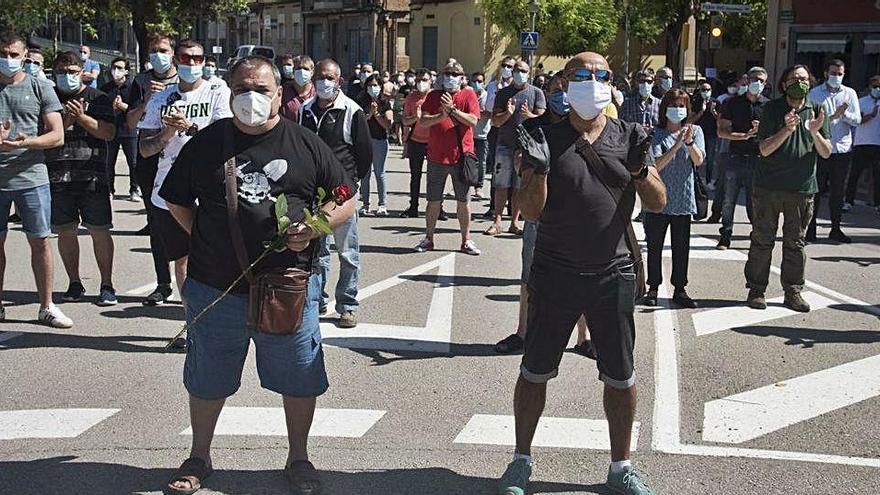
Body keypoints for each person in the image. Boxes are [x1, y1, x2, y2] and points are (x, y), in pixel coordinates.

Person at [160, 55, 356, 495]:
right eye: (243, 89)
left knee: (299, 376)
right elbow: (175, 200)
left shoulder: (305, 144)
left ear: (279, 95)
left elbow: (345, 195)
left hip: (287, 288)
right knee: (208, 376)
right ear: (230, 95)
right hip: (215, 287)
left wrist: (317, 226)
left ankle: (299, 458)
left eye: (262, 89)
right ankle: (199, 456)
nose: (253, 97)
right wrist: (209, 241)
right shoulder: (207, 144)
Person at [498, 51, 666, 495]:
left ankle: (621, 468)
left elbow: (658, 201)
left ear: (612, 84)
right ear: (563, 85)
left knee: (620, 376)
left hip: (613, 274)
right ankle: (520, 461)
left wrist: (640, 170)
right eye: (581, 75)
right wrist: (536, 171)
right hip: (554, 273)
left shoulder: (629, 134)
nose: (591, 82)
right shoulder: (541, 137)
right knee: (534, 371)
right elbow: (530, 212)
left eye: (600, 75)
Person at [494, 75, 595, 358]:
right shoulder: (532, 127)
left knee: (582, 276)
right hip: (539, 214)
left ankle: (583, 338)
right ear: (547, 93)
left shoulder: (584, 126)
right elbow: (520, 167)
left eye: (566, 91)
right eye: (556, 91)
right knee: (530, 274)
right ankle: (523, 332)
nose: (561, 96)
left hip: (576, 214)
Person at [138, 40, 232, 342]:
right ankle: (192, 321)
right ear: (176, 61)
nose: (192, 63)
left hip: (210, 189)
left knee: (216, 256)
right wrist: (168, 131)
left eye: (197, 58)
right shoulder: (161, 98)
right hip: (171, 192)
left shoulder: (217, 90)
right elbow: (145, 149)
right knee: (183, 260)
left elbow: (224, 137)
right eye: (185, 58)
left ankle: (219, 316)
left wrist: (189, 126)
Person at [745, 64, 831, 313]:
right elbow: (764, 149)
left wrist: (814, 132)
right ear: (784, 84)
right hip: (768, 188)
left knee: (796, 243)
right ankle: (756, 290)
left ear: (810, 83)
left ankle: (793, 291)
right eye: (794, 78)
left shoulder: (816, 111)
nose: (799, 83)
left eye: (803, 79)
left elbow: (826, 152)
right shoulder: (772, 109)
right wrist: (787, 129)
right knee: (762, 240)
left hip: (802, 189)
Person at [0, 31, 71, 327]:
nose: (8, 60)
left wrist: (23, 142)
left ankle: (47, 305)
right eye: (3, 53)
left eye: (14, 55)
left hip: (32, 177)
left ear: (24, 57)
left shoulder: (40, 86)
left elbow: (57, 135)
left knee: (40, 241)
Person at [300, 58, 371, 328]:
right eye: (319, 77)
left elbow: (363, 155)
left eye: (329, 78)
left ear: (339, 81)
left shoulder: (351, 111)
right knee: (318, 252)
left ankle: (347, 305)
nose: (323, 82)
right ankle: (318, 301)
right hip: (313, 193)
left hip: (342, 193)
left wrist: (352, 186)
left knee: (348, 252)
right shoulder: (305, 110)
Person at [47, 51, 117, 307]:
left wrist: (82, 117)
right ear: (54, 74)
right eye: (63, 72)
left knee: (100, 231)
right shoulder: (48, 97)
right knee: (66, 231)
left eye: (73, 72)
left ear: (82, 72)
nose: (68, 77)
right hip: (58, 176)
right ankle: (74, 282)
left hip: (93, 177)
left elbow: (108, 132)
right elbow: (46, 135)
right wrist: (65, 120)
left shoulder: (99, 98)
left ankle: (107, 284)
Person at [127, 33, 180, 305]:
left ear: (173, 53)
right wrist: (147, 99)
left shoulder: (183, 79)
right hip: (149, 160)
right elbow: (130, 122)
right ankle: (163, 283)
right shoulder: (140, 81)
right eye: (153, 51)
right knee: (157, 225)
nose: (157, 55)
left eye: (163, 50)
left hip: (178, 160)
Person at [642, 89, 705, 308]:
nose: (677, 110)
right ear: (664, 109)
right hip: (657, 199)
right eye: (673, 105)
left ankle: (680, 288)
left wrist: (688, 143)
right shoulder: (655, 133)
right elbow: (655, 165)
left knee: (681, 247)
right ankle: (653, 287)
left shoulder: (695, 131)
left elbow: (698, 161)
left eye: (681, 106)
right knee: (654, 246)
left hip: (683, 199)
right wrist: (676, 144)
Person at [413, 61, 481, 256]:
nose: (450, 76)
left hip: (461, 158)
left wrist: (452, 110)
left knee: (463, 202)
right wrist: (441, 115)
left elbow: (473, 121)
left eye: (454, 73)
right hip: (436, 158)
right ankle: (429, 238)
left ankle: (466, 240)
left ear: (461, 77)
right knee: (433, 201)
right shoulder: (434, 96)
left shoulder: (468, 95)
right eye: (447, 73)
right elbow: (424, 121)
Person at [486, 59, 546, 236]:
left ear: (529, 73)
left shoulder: (537, 93)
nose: (520, 73)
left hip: (526, 148)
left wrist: (530, 116)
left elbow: (542, 121)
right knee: (501, 185)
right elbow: (495, 121)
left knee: (520, 185)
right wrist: (508, 113)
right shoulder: (504, 93)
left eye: (524, 70)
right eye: (517, 70)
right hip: (505, 145)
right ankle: (497, 221)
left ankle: (514, 222)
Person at [807, 59, 861, 244]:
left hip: (842, 149)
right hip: (821, 148)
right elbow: (811, 122)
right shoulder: (815, 94)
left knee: (838, 192)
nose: (836, 77)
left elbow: (857, 120)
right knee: (816, 191)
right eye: (833, 73)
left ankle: (835, 229)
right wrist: (834, 116)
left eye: (840, 74)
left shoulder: (849, 94)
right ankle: (810, 229)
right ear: (825, 74)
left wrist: (844, 114)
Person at [716, 67, 769, 249]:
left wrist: (761, 129)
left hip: (758, 158)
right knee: (729, 199)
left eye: (761, 80)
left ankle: (756, 235)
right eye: (754, 79)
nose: (758, 83)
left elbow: (775, 135)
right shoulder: (733, 103)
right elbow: (722, 131)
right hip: (735, 156)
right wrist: (743, 136)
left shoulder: (768, 106)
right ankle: (725, 235)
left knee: (754, 201)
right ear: (747, 80)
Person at [706, 74, 748, 224]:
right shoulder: (728, 101)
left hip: (749, 153)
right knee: (724, 187)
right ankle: (716, 214)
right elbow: (721, 125)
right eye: (742, 84)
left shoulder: (757, 104)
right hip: (727, 149)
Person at [101, 56, 140, 200]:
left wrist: (124, 107)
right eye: (114, 67)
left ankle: (134, 189)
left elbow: (138, 109)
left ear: (126, 71)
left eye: (119, 68)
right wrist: (110, 107)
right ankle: (109, 189)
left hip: (128, 130)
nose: (116, 71)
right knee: (109, 161)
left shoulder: (133, 88)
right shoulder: (106, 88)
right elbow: (100, 108)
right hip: (111, 130)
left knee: (133, 162)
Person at [483, 56, 516, 220]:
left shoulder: (517, 87)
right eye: (504, 65)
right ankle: (494, 206)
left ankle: (512, 207)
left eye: (510, 66)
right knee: (498, 170)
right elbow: (489, 108)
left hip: (514, 131)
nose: (507, 68)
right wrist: (496, 90)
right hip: (497, 129)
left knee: (515, 171)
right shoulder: (493, 85)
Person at [357, 73, 392, 216]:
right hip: (365, 141)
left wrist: (377, 114)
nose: (373, 88)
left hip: (380, 141)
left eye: (376, 85)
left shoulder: (385, 102)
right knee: (365, 174)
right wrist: (369, 113)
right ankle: (365, 204)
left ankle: (382, 204)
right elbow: (359, 122)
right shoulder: (361, 101)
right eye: (370, 85)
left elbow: (388, 124)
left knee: (379, 172)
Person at [400, 68, 433, 218]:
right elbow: (405, 121)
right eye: (418, 80)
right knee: (415, 176)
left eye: (424, 80)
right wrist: (416, 117)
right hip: (416, 141)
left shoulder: (434, 96)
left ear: (431, 81)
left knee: (434, 176)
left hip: (433, 141)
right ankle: (413, 206)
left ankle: (437, 207)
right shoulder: (411, 98)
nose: (421, 83)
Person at [846, 75, 880, 213]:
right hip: (861, 143)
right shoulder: (861, 101)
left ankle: (877, 202)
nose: (878, 89)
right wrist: (871, 115)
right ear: (870, 86)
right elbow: (857, 120)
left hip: (877, 144)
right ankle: (848, 201)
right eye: (875, 86)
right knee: (855, 174)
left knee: (877, 176)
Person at [689, 78, 718, 183]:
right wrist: (702, 111)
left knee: (710, 159)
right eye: (703, 90)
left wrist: (713, 111)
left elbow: (720, 120)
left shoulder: (715, 102)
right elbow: (691, 119)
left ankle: (708, 179)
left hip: (712, 134)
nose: (706, 92)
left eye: (708, 89)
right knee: (696, 157)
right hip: (698, 134)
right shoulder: (696, 101)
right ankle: (695, 178)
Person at [279, 54, 315, 124]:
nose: (302, 71)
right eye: (298, 68)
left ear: (312, 72)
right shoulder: (284, 93)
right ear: (293, 71)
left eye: (306, 69)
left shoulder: (317, 93)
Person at [471, 71, 490, 200]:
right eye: (474, 81)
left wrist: (476, 112)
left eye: (479, 81)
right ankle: (465, 183)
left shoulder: (487, 96)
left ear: (484, 83)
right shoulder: (468, 95)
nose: (477, 84)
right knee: (467, 161)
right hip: (469, 134)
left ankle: (479, 186)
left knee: (481, 163)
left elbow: (490, 113)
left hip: (483, 134)